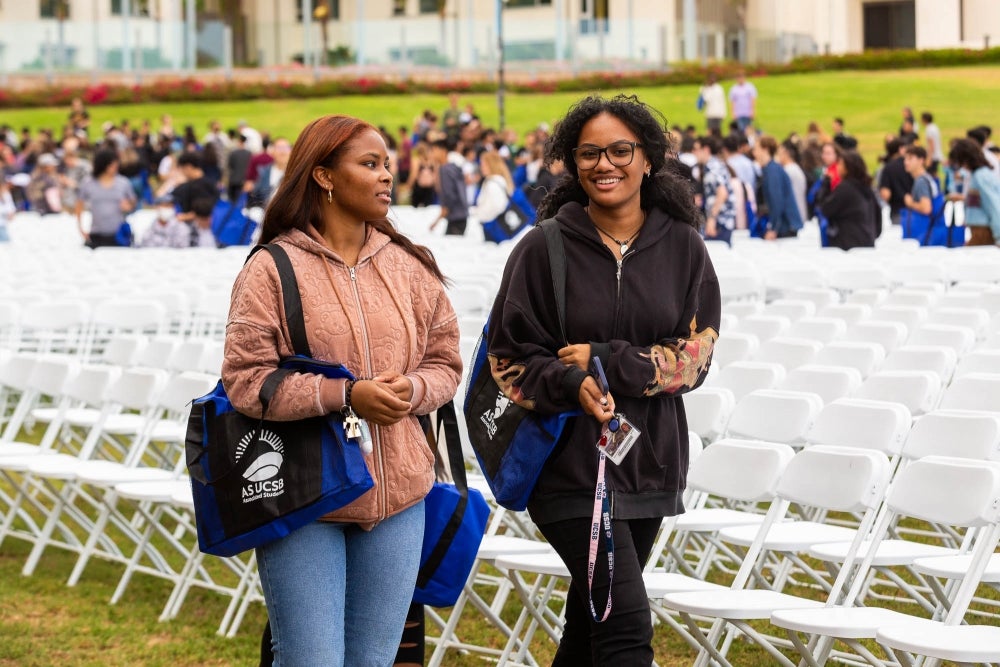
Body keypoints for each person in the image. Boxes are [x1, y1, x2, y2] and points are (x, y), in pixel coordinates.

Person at [486, 94, 720, 665]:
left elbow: (696, 357)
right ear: (571, 162)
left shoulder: (684, 247)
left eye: (620, 150)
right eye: (588, 153)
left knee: (589, 628)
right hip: (566, 466)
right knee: (625, 625)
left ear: (648, 160)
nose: (604, 164)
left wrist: (607, 361)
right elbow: (507, 359)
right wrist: (570, 383)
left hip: (649, 465)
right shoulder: (543, 248)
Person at [222, 114, 462, 666]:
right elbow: (246, 379)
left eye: (387, 165)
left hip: (398, 493)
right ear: (325, 176)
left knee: (373, 662)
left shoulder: (409, 265)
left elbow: (445, 360)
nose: (387, 178)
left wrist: (415, 387)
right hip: (308, 493)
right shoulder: (271, 268)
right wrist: (346, 396)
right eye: (370, 164)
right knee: (310, 660)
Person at [816, 150, 881, 250]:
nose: (837, 167)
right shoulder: (866, 187)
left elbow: (825, 209)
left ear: (848, 167)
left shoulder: (846, 188)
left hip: (847, 245)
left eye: (841, 164)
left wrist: (826, 184)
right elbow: (878, 216)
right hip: (866, 241)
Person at [75, 148, 136, 248]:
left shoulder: (123, 182)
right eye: (112, 165)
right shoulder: (88, 183)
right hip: (96, 234)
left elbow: (133, 201)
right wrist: (80, 228)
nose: (115, 167)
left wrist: (128, 206)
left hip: (118, 234)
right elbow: (79, 204)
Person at [949, 138, 1000, 246]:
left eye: (960, 162)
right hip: (978, 231)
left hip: (984, 232)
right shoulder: (976, 175)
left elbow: (994, 205)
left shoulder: (981, 176)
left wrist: (999, 236)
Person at [754, 135, 803, 239]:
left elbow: (777, 200)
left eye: (757, 149)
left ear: (765, 150)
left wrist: (774, 228)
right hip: (784, 225)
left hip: (785, 226)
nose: (754, 152)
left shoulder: (773, 171)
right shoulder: (770, 169)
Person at [693, 135, 736, 245]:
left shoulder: (712, 167)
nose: (694, 153)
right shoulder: (715, 165)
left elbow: (722, 193)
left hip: (720, 222)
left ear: (706, 149)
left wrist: (712, 219)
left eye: (697, 149)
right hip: (723, 221)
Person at [429, 137, 469, 235]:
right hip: (461, 215)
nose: (432, 154)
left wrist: (437, 220)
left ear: (442, 150)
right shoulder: (453, 167)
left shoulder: (445, 169)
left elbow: (449, 194)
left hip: (455, 216)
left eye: (433, 151)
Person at [878, 138, 913, 226]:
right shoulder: (911, 166)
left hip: (897, 211)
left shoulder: (887, 168)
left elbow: (885, 194)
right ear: (901, 149)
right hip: (915, 211)